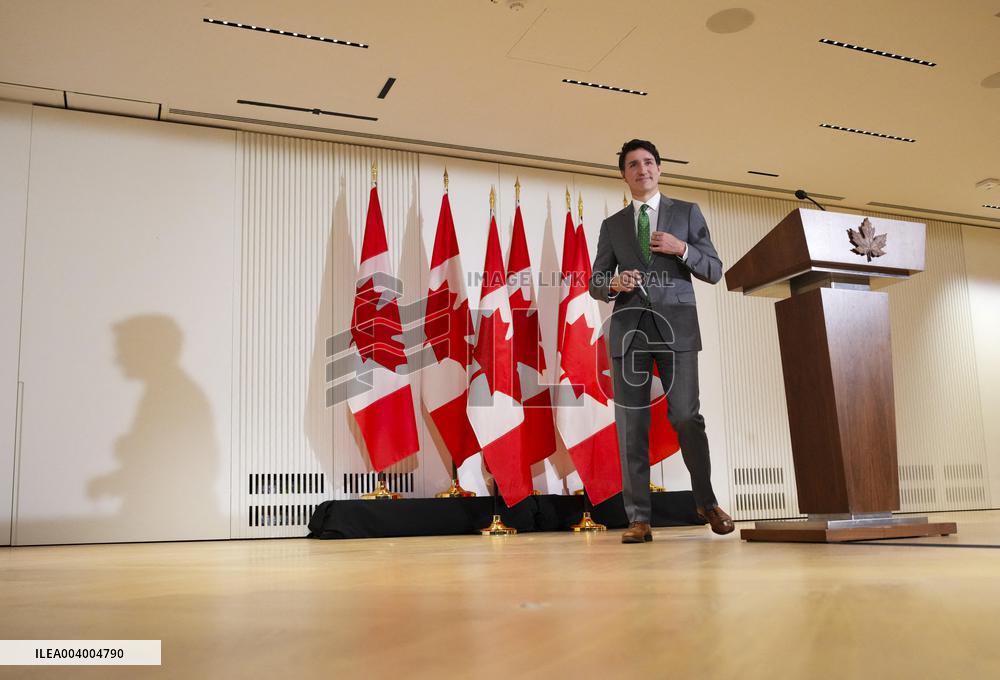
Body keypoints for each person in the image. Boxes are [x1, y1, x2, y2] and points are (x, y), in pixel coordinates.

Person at [589, 139, 734, 543]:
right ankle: (639, 518)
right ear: (624, 174)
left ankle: (706, 502)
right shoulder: (613, 225)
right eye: (633, 164)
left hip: (679, 331)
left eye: (649, 162)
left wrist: (682, 247)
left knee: (687, 417)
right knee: (632, 426)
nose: (642, 169)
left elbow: (714, 269)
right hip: (630, 333)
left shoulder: (687, 213)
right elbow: (595, 282)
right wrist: (613, 283)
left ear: (660, 169)